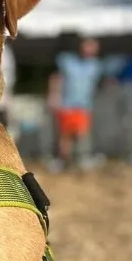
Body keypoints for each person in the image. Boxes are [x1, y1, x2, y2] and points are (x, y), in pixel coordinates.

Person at [47, 37, 125, 170]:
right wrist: (53, 95)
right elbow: (56, 77)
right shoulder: (67, 61)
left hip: (83, 105)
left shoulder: (96, 66)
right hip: (67, 104)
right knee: (65, 136)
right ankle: (63, 161)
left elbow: (108, 75)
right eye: (88, 46)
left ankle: (80, 159)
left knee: (81, 134)